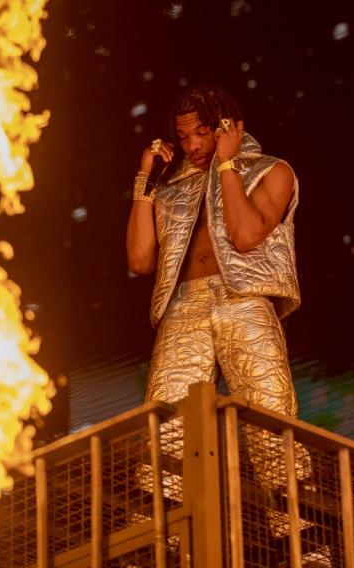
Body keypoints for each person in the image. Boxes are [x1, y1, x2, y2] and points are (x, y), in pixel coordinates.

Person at [126, 83, 302, 425]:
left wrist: (227, 163)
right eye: (183, 136)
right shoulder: (171, 187)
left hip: (245, 299)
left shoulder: (271, 170)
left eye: (201, 133)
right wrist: (145, 179)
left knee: (271, 421)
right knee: (167, 428)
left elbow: (246, 234)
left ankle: (288, 482)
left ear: (225, 129)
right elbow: (139, 259)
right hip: (184, 305)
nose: (191, 145)